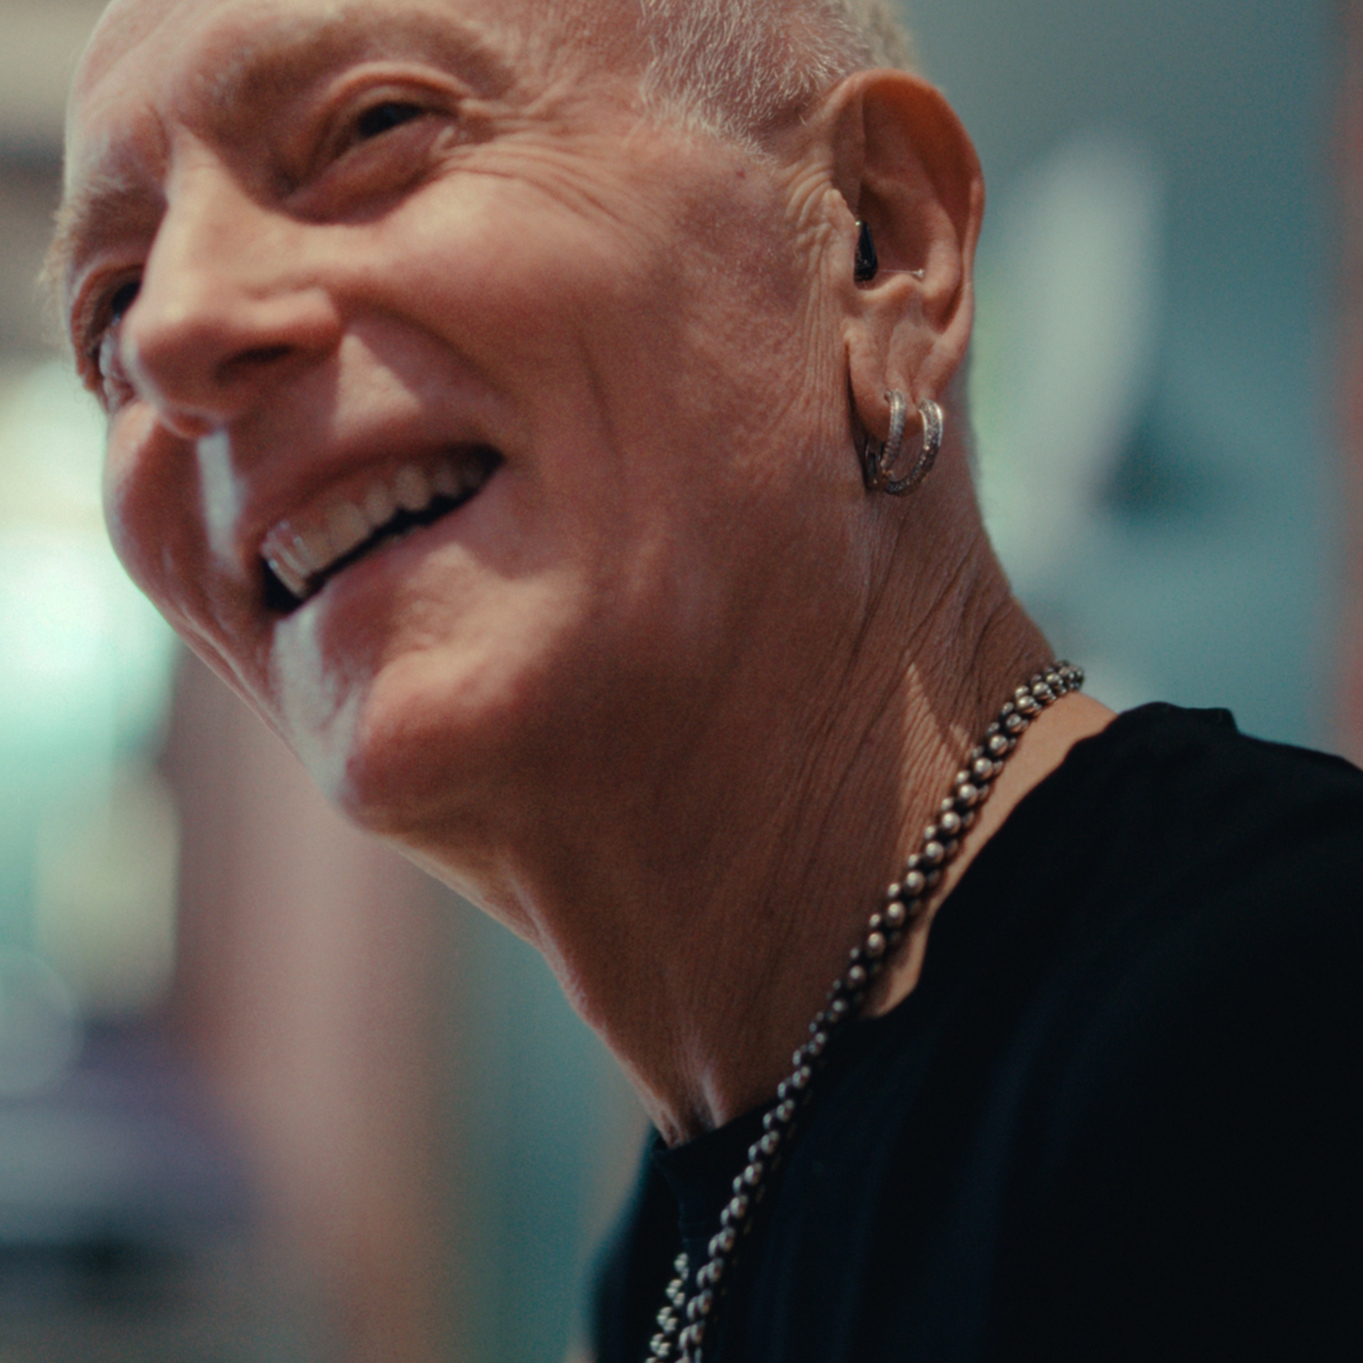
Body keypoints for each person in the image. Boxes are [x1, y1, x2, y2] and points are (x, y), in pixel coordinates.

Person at [51, 0, 1361, 1358]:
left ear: (875, 238)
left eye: (377, 129)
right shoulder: (686, 1231)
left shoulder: (1282, 1028)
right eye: (111, 311)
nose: (173, 332)